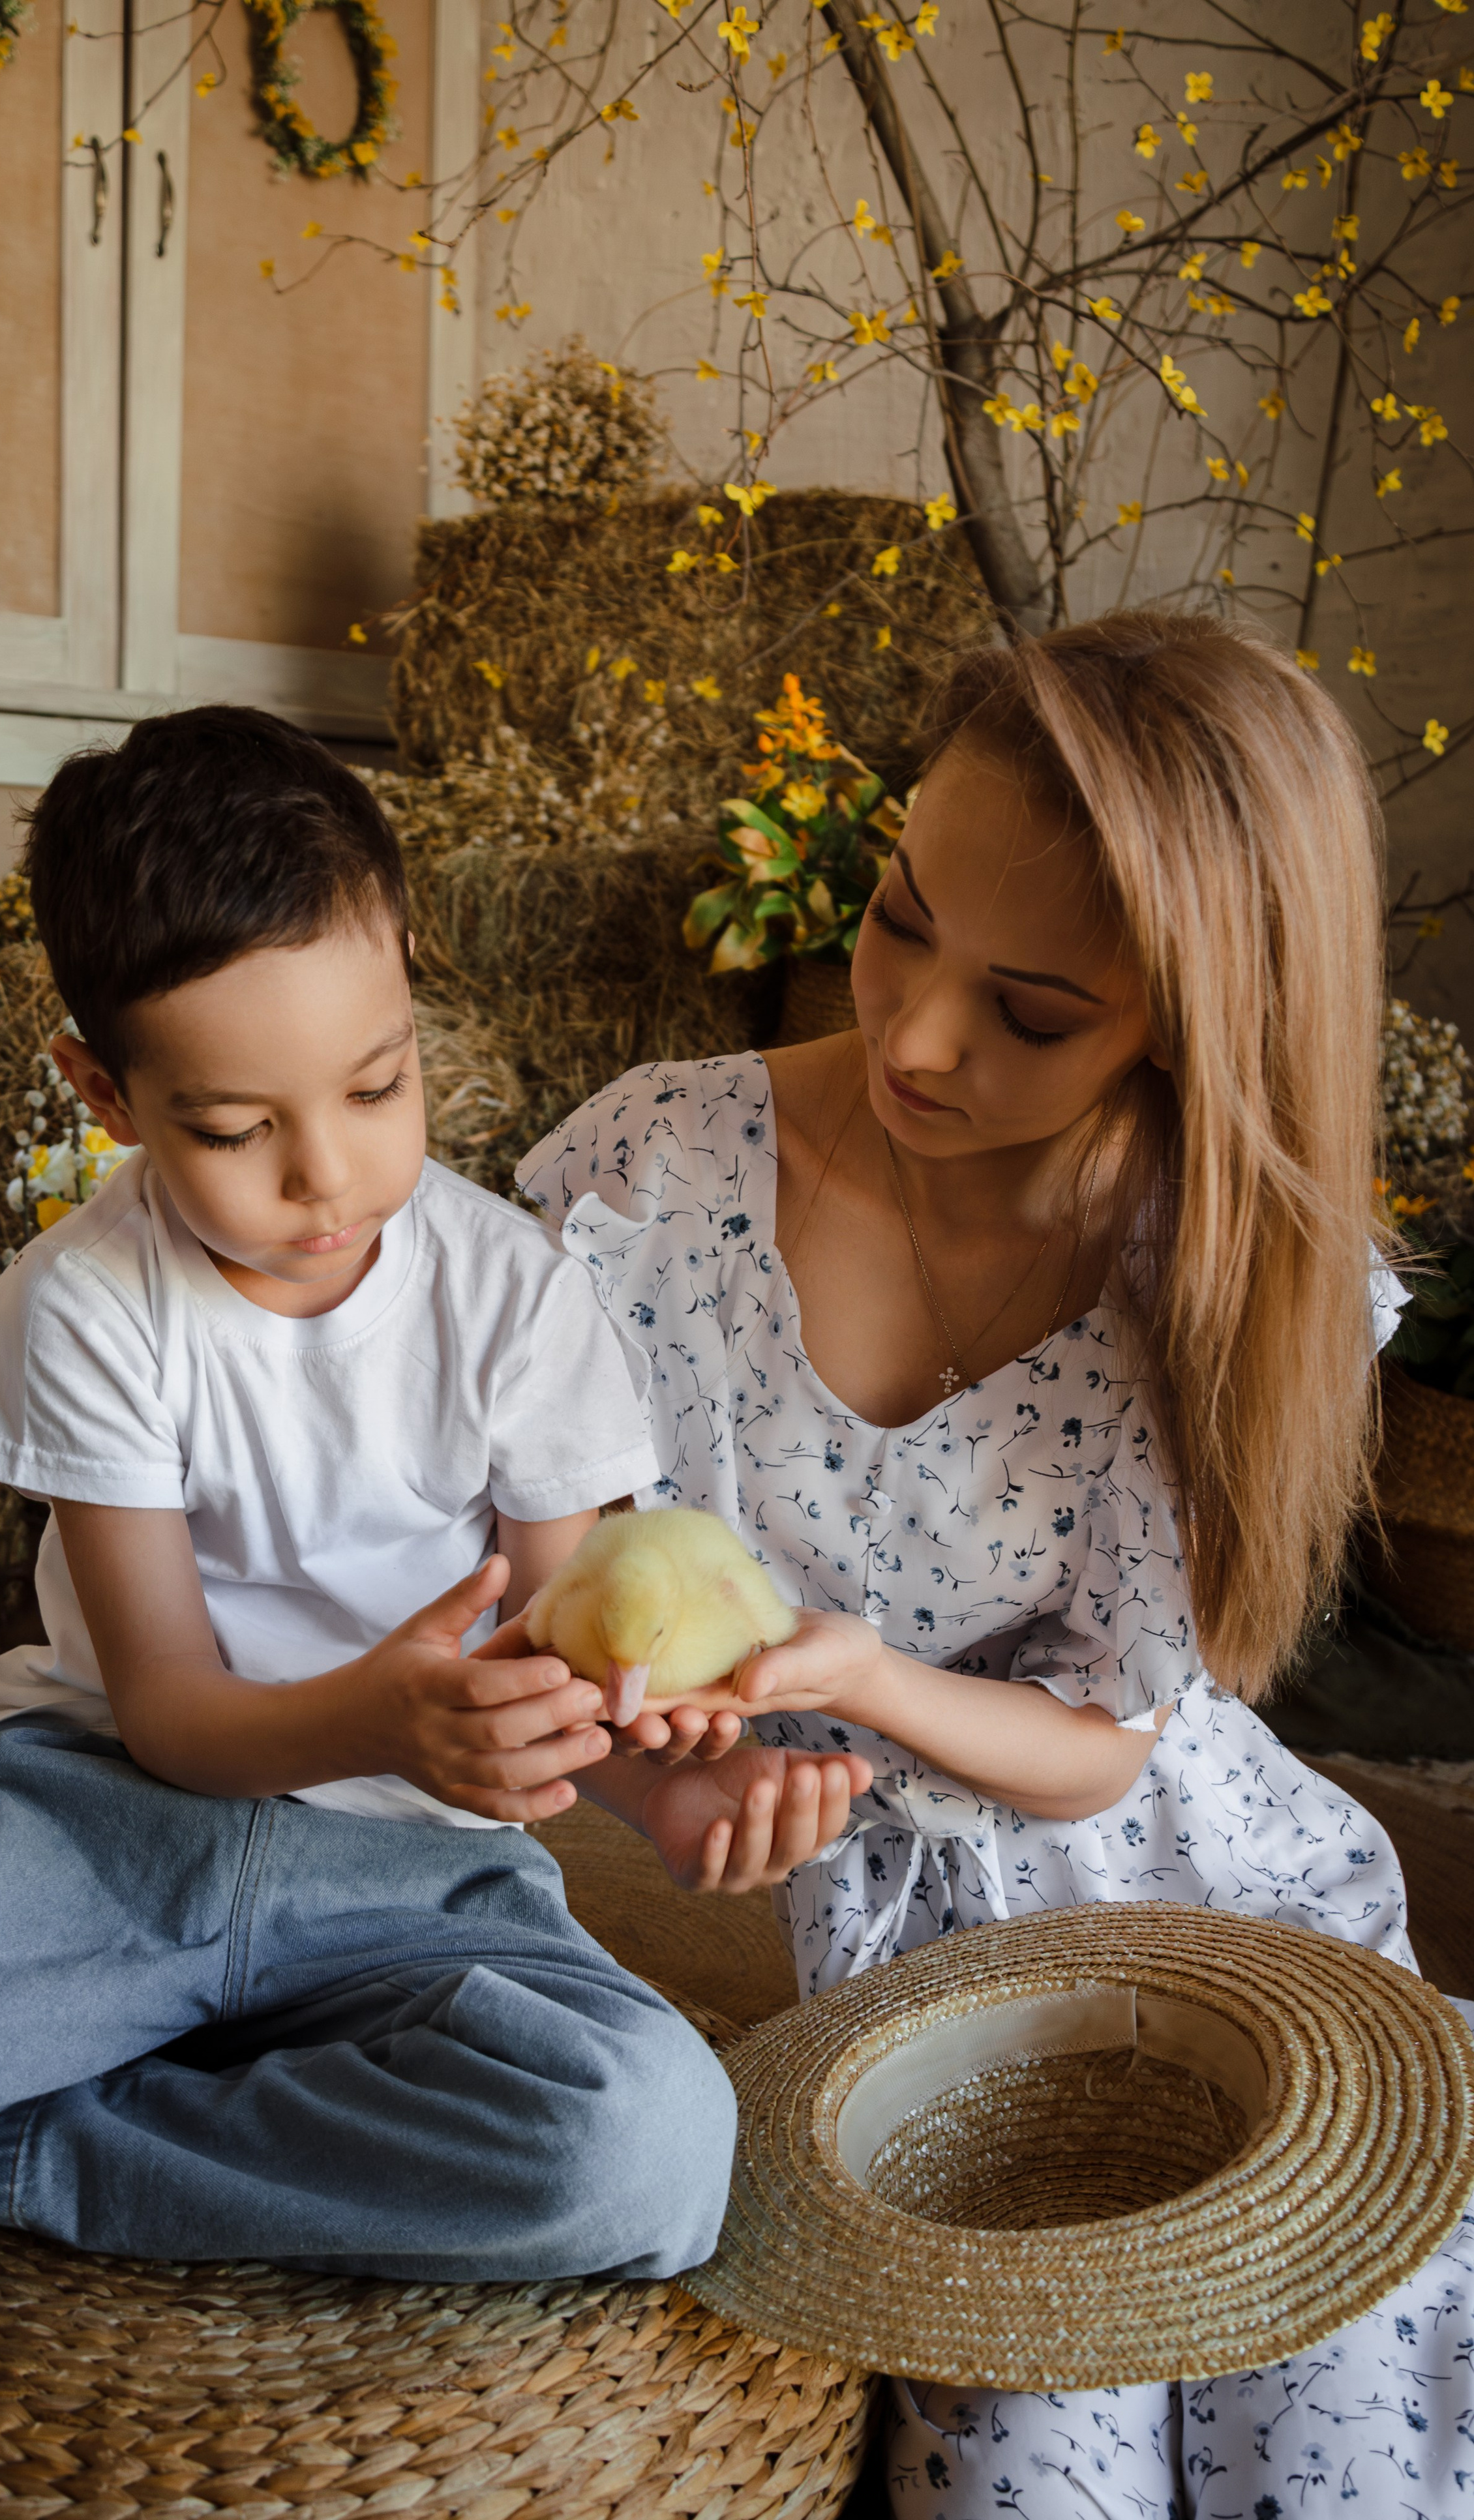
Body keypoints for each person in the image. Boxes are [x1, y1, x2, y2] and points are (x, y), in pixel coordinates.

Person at [520, 612, 1474, 2515]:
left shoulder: (1209, 1272)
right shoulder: (650, 1177)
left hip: (1227, 1926)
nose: (919, 1035)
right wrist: (665, 1765)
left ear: (1201, 1032)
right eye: (894, 915)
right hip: (922, 1973)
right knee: (1034, 2472)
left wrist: (853, 1670)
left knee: (1351, 2465)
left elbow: (1110, 1748)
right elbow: (546, 1598)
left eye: (1035, 1012)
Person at [0, 702, 869, 2277]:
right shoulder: (90, 1303)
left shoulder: (510, 1296)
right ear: (104, 1094)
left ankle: (31, 2146)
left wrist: (671, 1788)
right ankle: (70, 2043)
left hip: (411, 1866)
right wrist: (375, 1710)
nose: (325, 1176)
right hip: (100, 1824)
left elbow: (559, 1665)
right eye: (235, 1129)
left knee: (640, 2156)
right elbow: (167, 1706)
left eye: (377, 1088)